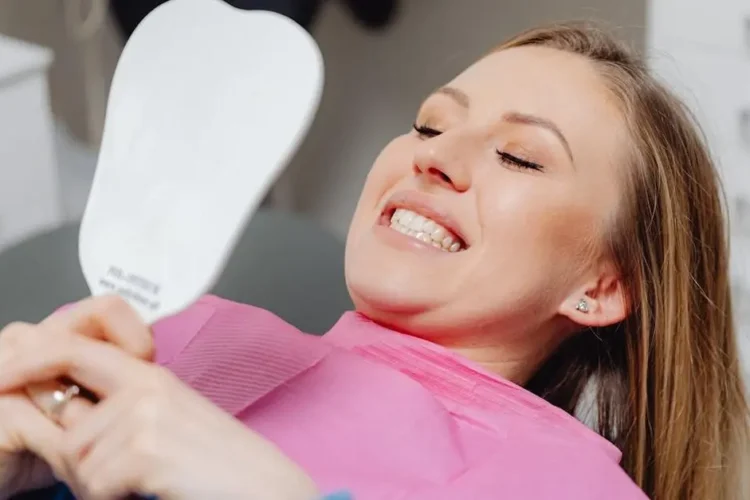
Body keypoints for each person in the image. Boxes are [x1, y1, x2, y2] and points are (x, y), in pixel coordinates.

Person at [0, 21, 748, 500]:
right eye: (428, 125)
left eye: (519, 157)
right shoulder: (169, 332)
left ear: (602, 285)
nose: (436, 158)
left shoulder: (572, 487)